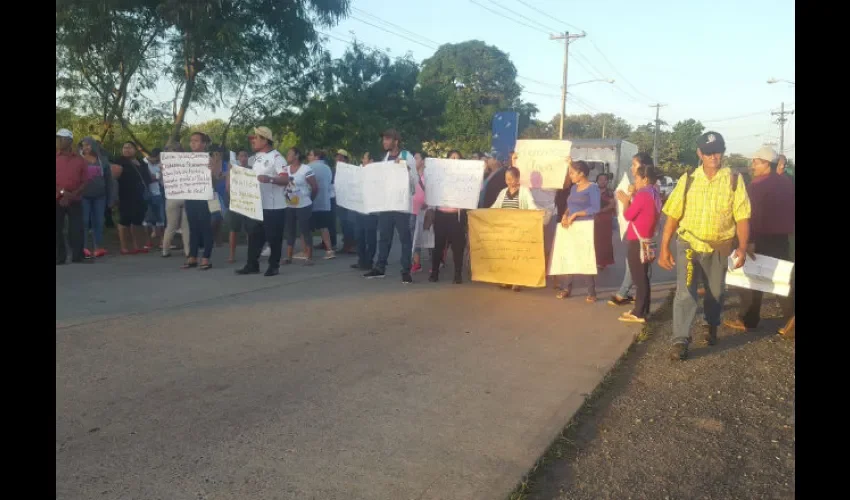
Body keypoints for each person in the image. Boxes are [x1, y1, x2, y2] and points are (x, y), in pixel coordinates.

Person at [658, 131, 752, 361]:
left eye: (717, 151)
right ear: (700, 153)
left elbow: (742, 217)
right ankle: (680, 339)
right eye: (708, 152)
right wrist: (664, 247)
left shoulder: (733, 179)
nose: (713, 157)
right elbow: (672, 214)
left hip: (719, 246)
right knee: (685, 292)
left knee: (716, 292)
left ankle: (711, 324)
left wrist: (742, 247)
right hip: (689, 243)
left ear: (723, 152)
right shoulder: (688, 178)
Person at [724, 146, 795, 334]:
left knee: (749, 278)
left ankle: (749, 319)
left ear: (766, 164)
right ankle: (791, 318)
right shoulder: (786, 182)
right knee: (782, 277)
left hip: (760, 237)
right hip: (782, 238)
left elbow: (752, 215)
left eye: (755, 161)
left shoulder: (757, 185)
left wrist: (747, 241)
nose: (752, 165)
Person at [363, 129, 418, 283]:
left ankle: (406, 270)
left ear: (396, 141)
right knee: (384, 237)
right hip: (387, 204)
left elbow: (414, 181)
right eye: (384, 140)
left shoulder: (407, 156)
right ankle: (380, 268)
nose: (384, 142)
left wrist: (404, 170)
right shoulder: (385, 158)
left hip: (401, 205)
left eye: (387, 140)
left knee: (405, 239)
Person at [235, 127, 289, 277]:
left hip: (274, 206)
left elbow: (285, 179)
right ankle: (252, 264)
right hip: (257, 205)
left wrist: (270, 179)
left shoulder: (277, 158)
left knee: (273, 237)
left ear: (265, 140)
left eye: (256, 138)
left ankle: (274, 266)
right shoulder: (256, 157)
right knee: (253, 236)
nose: (253, 141)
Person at [616, 162, 662, 323]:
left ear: (645, 179)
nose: (634, 181)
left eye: (636, 177)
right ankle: (643, 309)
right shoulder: (654, 193)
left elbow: (628, 215)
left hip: (637, 240)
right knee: (643, 277)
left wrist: (625, 201)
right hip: (646, 239)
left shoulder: (643, 194)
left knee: (639, 278)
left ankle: (638, 313)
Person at [608, 152, 654, 307]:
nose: (632, 168)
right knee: (639, 266)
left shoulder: (646, 190)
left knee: (636, 266)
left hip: (639, 234)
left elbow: (630, 214)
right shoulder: (648, 189)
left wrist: (627, 199)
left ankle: (632, 299)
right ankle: (635, 296)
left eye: (634, 165)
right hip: (641, 232)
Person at [556, 160, 601, 302]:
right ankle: (566, 288)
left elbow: (595, 208)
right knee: (569, 256)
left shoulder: (593, 188)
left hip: (585, 226)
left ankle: (591, 292)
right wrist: (565, 214)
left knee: (585, 258)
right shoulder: (574, 188)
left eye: (572, 173)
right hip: (570, 226)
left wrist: (576, 215)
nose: (570, 176)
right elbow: (570, 205)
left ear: (581, 174)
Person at [490, 166, 539, 291]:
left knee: (517, 256)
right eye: (507, 179)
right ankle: (506, 279)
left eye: (511, 179)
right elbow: (495, 207)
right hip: (505, 230)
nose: (509, 181)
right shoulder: (503, 192)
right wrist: (482, 214)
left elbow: (531, 206)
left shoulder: (524, 191)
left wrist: (538, 214)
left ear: (517, 179)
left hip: (519, 230)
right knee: (505, 255)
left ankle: (517, 281)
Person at [430, 150, 467, 284]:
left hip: (456, 216)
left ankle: (458, 274)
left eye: (457, 158)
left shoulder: (465, 177)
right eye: (452, 158)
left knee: (458, 247)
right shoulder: (441, 175)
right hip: (441, 214)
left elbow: (474, 190)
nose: (455, 160)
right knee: (438, 245)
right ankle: (434, 272)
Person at [181, 132, 217, 270]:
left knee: (205, 228)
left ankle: (206, 257)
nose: (193, 143)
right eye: (191, 141)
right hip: (190, 197)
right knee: (193, 228)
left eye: (196, 141)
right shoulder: (185, 159)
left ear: (203, 144)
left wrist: (211, 171)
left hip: (205, 198)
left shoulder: (209, 159)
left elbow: (214, 182)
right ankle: (192, 257)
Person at [56, 128, 91, 265]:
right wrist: (63, 194)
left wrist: (71, 195)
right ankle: (60, 257)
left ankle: (78, 255)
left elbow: (85, 181)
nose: (58, 141)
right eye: (58, 138)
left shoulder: (79, 159)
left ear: (69, 141)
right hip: (57, 198)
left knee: (76, 228)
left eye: (61, 138)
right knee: (57, 229)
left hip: (75, 199)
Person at [113, 141, 152, 255]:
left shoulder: (141, 162)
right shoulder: (119, 161)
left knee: (138, 220)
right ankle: (124, 247)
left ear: (135, 150)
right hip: (124, 195)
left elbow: (147, 178)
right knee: (124, 220)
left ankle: (137, 245)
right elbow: (113, 179)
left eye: (129, 147)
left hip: (140, 196)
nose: (127, 149)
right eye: (125, 147)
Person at [78, 136, 114, 259]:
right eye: (83, 145)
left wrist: (111, 198)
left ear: (94, 145)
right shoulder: (79, 160)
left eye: (88, 145)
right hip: (83, 196)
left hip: (100, 196)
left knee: (98, 221)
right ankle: (83, 247)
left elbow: (109, 180)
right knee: (84, 221)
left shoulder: (102, 160)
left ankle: (98, 247)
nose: (86, 147)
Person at [283, 147, 319, 265]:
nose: (287, 156)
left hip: (303, 204)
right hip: (289, 204)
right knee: (290, 230)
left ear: (297, 156)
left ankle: (309, 257)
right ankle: (289, 257)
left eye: (290, 154)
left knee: (305, 230)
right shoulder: (285, 169)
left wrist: (310, 199)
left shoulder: (305, 169)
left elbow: (314, 187)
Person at [161, 141, 191, 258]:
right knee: (186, 226)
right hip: (186, 195)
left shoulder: (164, 165)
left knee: (171, 226)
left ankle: (165, 250)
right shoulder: (188, 163)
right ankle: (188, 251)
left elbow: (163, 183)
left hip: (172, 197)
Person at [306, 149, 336, 259]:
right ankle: (329, 250)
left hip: (311, 201)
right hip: (325, 202)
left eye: (310, 154)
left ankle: (306, 251)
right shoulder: (327, 168)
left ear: (316, 156)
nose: (308, 156)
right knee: (324, 228)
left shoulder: (308, 167)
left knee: (306, 228)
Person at [352, 151, 379, 270]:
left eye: (365, 158)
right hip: (360, 208)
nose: (362, 160)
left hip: (371, 210)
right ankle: (361, 260)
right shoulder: (359, 172)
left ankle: (369, 261)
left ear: (371, 161)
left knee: (370, 236)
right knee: (359, 236)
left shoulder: (377, 174)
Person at [227, 148, 251, 263]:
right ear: (237, 158)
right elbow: (228, 187)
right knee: (233, 230)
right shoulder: (232, 170)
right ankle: (232, 255)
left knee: (250, 230)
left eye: (246, 156)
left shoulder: (253, 170)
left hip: (249, 203)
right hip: (236, 203)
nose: (244, 158)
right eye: (241, 156)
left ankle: (251, 254)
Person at [142, 148, 166, 251]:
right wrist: (156, 176)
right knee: (147, 219)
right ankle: (148, 242)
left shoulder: (162, 164)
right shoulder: (144, 162)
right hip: (147, 193)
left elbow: (160, 178)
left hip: (158, 193)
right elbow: (150, 177)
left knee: (160, 219)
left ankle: (162, 241)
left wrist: (157, 176)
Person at [335, 149, 357, 254]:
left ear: (346, 159)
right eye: (337, 156)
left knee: (350, 223)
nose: (338, 158)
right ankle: (346, 245)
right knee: (343, 223)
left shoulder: (350, 169)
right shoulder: (336, 169)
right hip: (340, 199)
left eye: (341, 156)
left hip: (349, 201)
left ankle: (352, 245)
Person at [410, 151, 429, 274]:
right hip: (412, 210)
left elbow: (432, 191)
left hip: (426, 211)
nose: (414, 160)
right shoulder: (411, 175)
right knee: (413, 237)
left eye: (416, 158)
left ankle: (438, 261)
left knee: (429, 236)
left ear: (423, 161)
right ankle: (416, 263)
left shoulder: (428, 175)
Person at [594, 173, 616, 270]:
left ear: (607, 181)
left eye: (605, 179)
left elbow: (612, 205)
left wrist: (601, 210)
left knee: (605, 242)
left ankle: (603, 262)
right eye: (600, 179)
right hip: (593, 219)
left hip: (606, 220)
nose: (603, 181)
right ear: (597, 181)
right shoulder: (593, 191)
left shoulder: (611, 193)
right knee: (594, 240)